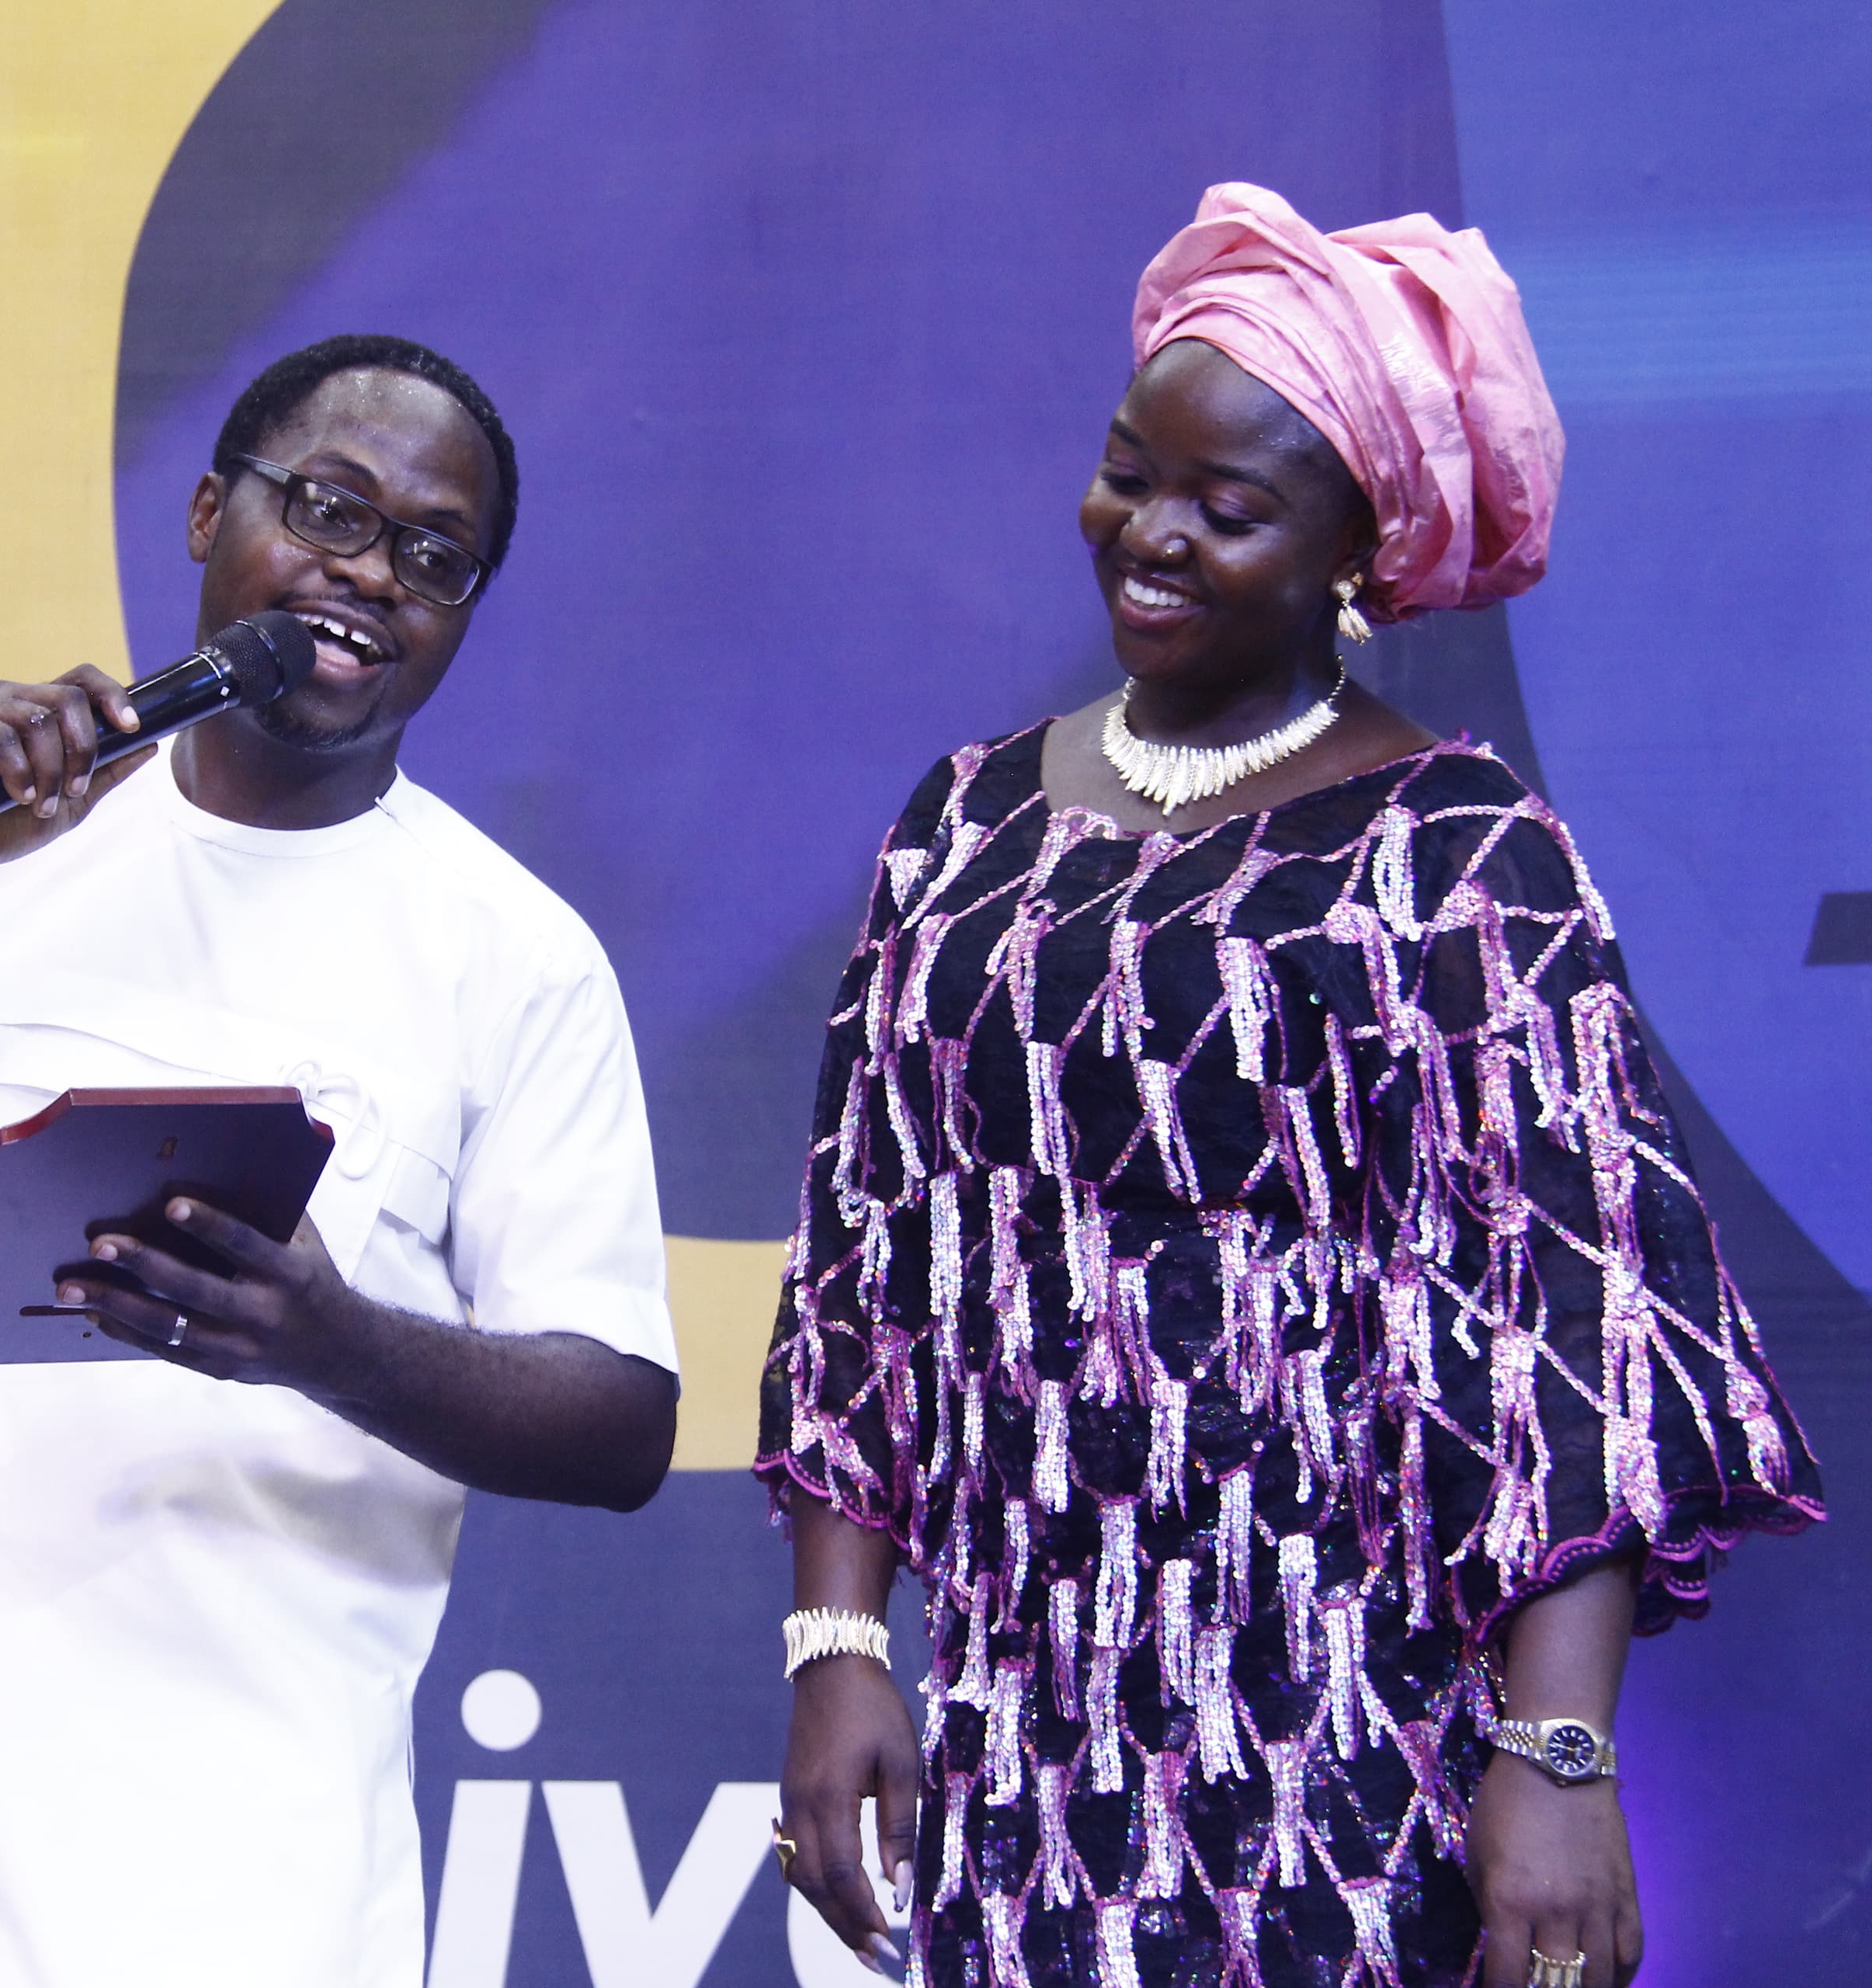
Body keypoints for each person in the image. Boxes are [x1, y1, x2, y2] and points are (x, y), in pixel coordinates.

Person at [759, 186, 1818, 1988]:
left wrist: (1558, 1752)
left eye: (1227, 508)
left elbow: (1571, 1323)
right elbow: (869, 1254)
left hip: (1343, 1746)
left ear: (1355, 545)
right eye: (1127, 473)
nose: (1150, 533)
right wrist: (839, 1642)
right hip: (1024, 1750)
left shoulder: (1460, 854)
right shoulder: (964, 822)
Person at [0, 332, 679, 1988]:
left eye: (434, 556)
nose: (369, 575)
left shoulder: (515, 958)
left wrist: (329, 1341)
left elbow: (621, 1423)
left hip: (258, 1898)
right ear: (205, 513)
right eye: (330, 509)